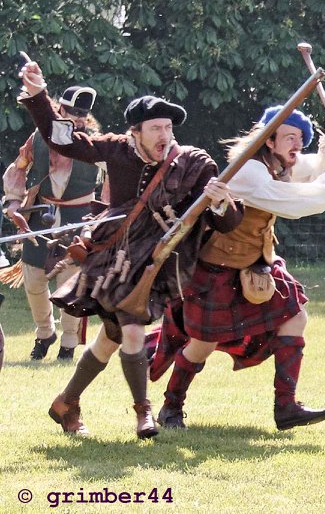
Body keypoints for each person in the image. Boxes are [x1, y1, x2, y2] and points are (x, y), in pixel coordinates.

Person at [21, 60, 238, 439]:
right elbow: (64, 140)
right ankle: (144, 414)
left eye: (168, 128)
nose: (164, 136)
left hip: (156, 266)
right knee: (133, 332)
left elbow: (226, 223)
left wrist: (219, 201)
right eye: (155, 128)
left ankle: (65, 402)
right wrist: (40, 97)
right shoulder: (117, 149)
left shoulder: (193, 163)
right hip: (114, 259)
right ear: (134, 131)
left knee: (112, 337)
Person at [153, 106, 325, 431]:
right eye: (289, 137)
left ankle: (286, 407)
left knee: (295, 317)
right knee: (203, 344)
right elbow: (296, 201)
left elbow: (314, 168)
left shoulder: (278, 163)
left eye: (300, 140)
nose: (296, 146)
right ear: (268, 140)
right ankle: (171, 407)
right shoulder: (250, 170)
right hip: (218, 269)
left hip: (258, 264)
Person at [4, 85, 102, 362]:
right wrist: (12, 201)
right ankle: (45, 334)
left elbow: (115, 176)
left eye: (82, 114)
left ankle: (69, 344)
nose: (77, 118)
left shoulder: (95, 142)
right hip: (40, 216)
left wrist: (106, 213)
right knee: (34, 280)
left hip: (78, 219)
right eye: (72, 112)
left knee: (69, 283)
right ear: (59, 108)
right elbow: (18, 167)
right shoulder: (39, 136)